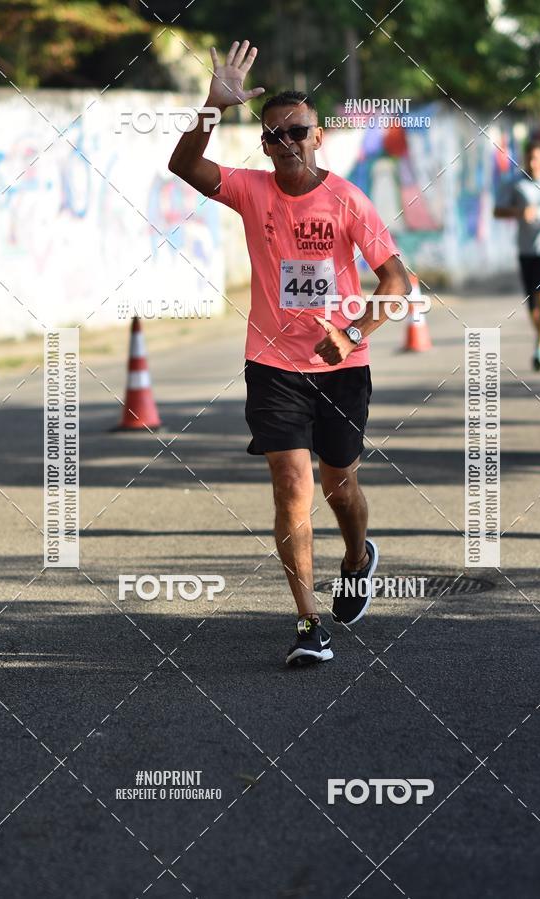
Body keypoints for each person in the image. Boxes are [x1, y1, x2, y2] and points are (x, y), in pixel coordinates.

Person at [168, 40, 410, 666]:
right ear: (266, 146)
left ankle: (357, 556)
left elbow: (397, 283)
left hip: (342, 367)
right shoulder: (250, 191)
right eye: (275, 136)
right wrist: (213, 108)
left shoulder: (349, 201)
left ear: (318, 136)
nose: (288, 142)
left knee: (340, 485)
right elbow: (184, 166)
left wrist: (353, 334)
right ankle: (307, 624)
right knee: (291, 483)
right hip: (272, 365)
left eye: (298, 130)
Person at [494, 140, 540, 371]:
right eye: (530, 158)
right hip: (527, 250)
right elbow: (497, 210)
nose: (533, 163)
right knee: (533, 306)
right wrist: (519, 211)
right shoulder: (516, 183)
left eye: (537, 158)